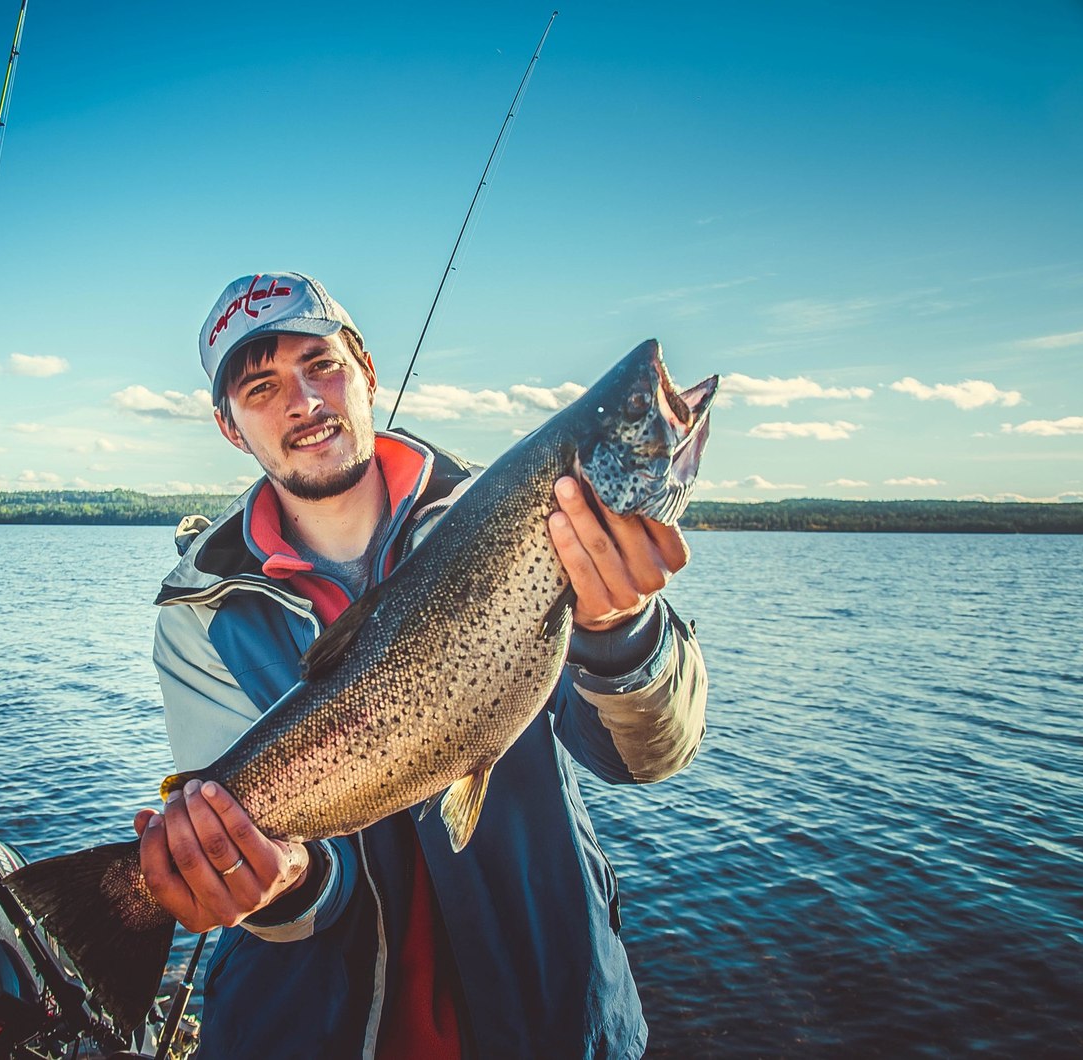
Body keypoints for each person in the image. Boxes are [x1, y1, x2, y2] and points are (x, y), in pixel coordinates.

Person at [134, 272, 707, 1059]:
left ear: (366, 371)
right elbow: (296, 890)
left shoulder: (524, 522)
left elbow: (647, 757)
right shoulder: (202, 615)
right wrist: (270, 880)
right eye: (262, 386)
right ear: (231, 427)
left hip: (552, 1022)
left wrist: (618, 625)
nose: (302, 400)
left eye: (321, 364)